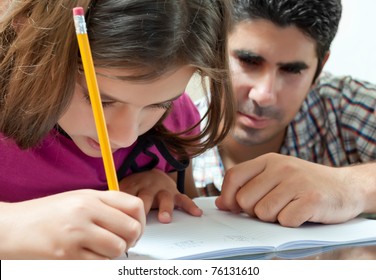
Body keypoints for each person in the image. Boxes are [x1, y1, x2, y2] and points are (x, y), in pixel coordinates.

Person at [0, 0, 235, 259]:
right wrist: (15, 227)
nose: (127, 137)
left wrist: (163, 189)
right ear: (34, 41)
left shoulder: (175, 123)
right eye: (102, 101)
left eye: (160, 104)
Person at [193, 0, 376, 227]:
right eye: (249, 61)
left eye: (292, 70)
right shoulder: (161, 137)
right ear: (212, 47)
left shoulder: (347, 107)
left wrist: (350, 186)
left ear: (319, 68)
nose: (264, 95)